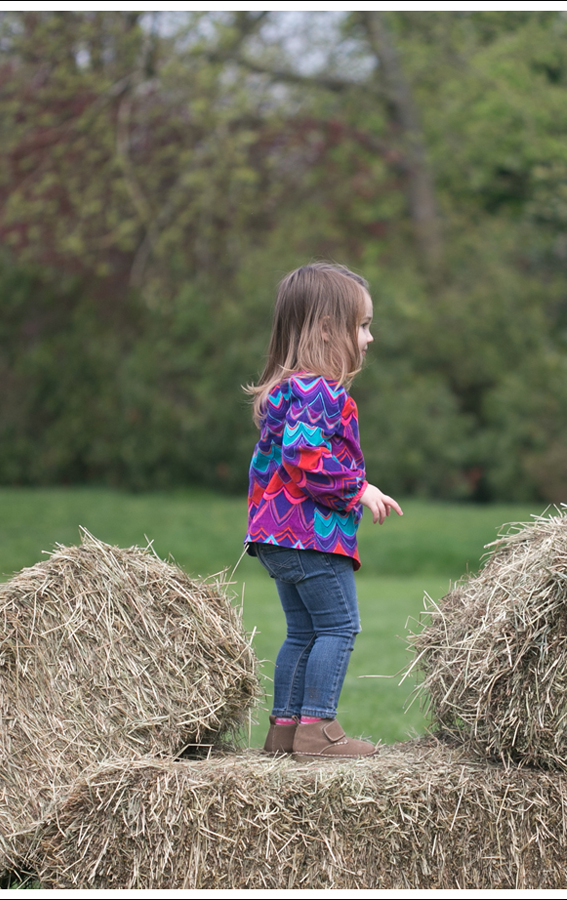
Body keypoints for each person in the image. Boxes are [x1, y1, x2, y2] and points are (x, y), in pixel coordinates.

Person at [244, 262, 403, 762]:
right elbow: (304, 457)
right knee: (339, 627)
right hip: (309, 537)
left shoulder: (286, 390)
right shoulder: (318, 391)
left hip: (274, 535)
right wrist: (358, 489)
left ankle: (285, 730)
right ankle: (319, 731)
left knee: (302, 632)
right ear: (329, 329)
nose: (369, 338)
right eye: (362, 325)